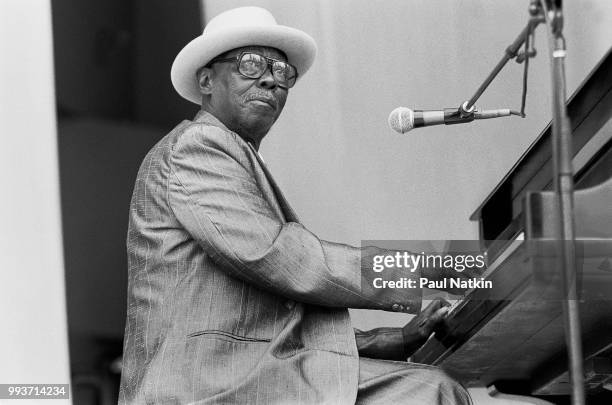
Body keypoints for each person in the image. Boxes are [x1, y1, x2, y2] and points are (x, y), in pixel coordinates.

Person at [119, 6, 471, 405]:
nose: (271, 79)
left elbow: (260, 319)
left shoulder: (232, 156)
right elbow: (280, 257)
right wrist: (440, 270)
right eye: (250, 65)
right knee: (432, 391)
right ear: (206, 79)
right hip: (205, 385)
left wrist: (382, 339)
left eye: (283, 72)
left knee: (429, 385)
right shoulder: (198, 147)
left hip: (241, 374)